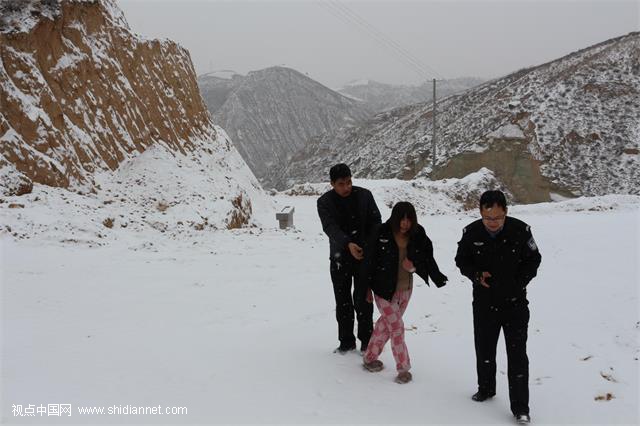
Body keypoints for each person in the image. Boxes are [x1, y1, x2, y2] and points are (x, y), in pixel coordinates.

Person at [455, 190, 541, 425]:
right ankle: (486, 389)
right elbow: (461, 260)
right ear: (481, 213)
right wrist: (475, 275)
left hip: (515, 305)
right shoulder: (471, 232)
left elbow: (534, 259)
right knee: (484, 349)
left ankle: (521, 407)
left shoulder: (520, 231)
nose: (492, 223)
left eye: (497, 218)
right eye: (487, 218)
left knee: (517, 355)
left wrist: (518, 282)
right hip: (484, 303)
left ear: (506, 212)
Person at [361, 202, 448, 384]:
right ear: (395, 217)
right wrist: (365, 288)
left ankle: (370, 357)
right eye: (402, 218)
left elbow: (427, 257)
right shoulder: (381, 232)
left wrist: (415, 268)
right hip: (382, 290)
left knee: (386, 324)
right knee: (397, 328)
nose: (405, 223)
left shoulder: (418, 233)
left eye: (409, 219)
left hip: (405, 289)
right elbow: (368, 261)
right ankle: (403, 368)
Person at [317, 163, 381, 354]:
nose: (346, 187)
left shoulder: (364, 196)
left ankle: (367, 341)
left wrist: (367, 246)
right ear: (332, 184)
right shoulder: (324, 202)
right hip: (339, 259)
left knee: (363, 300)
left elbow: (376, 222)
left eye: (349, 182)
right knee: (343, 301)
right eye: (341, 184)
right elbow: (330, 227)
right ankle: (346, 342)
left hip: (363, 256)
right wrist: (347, 244)